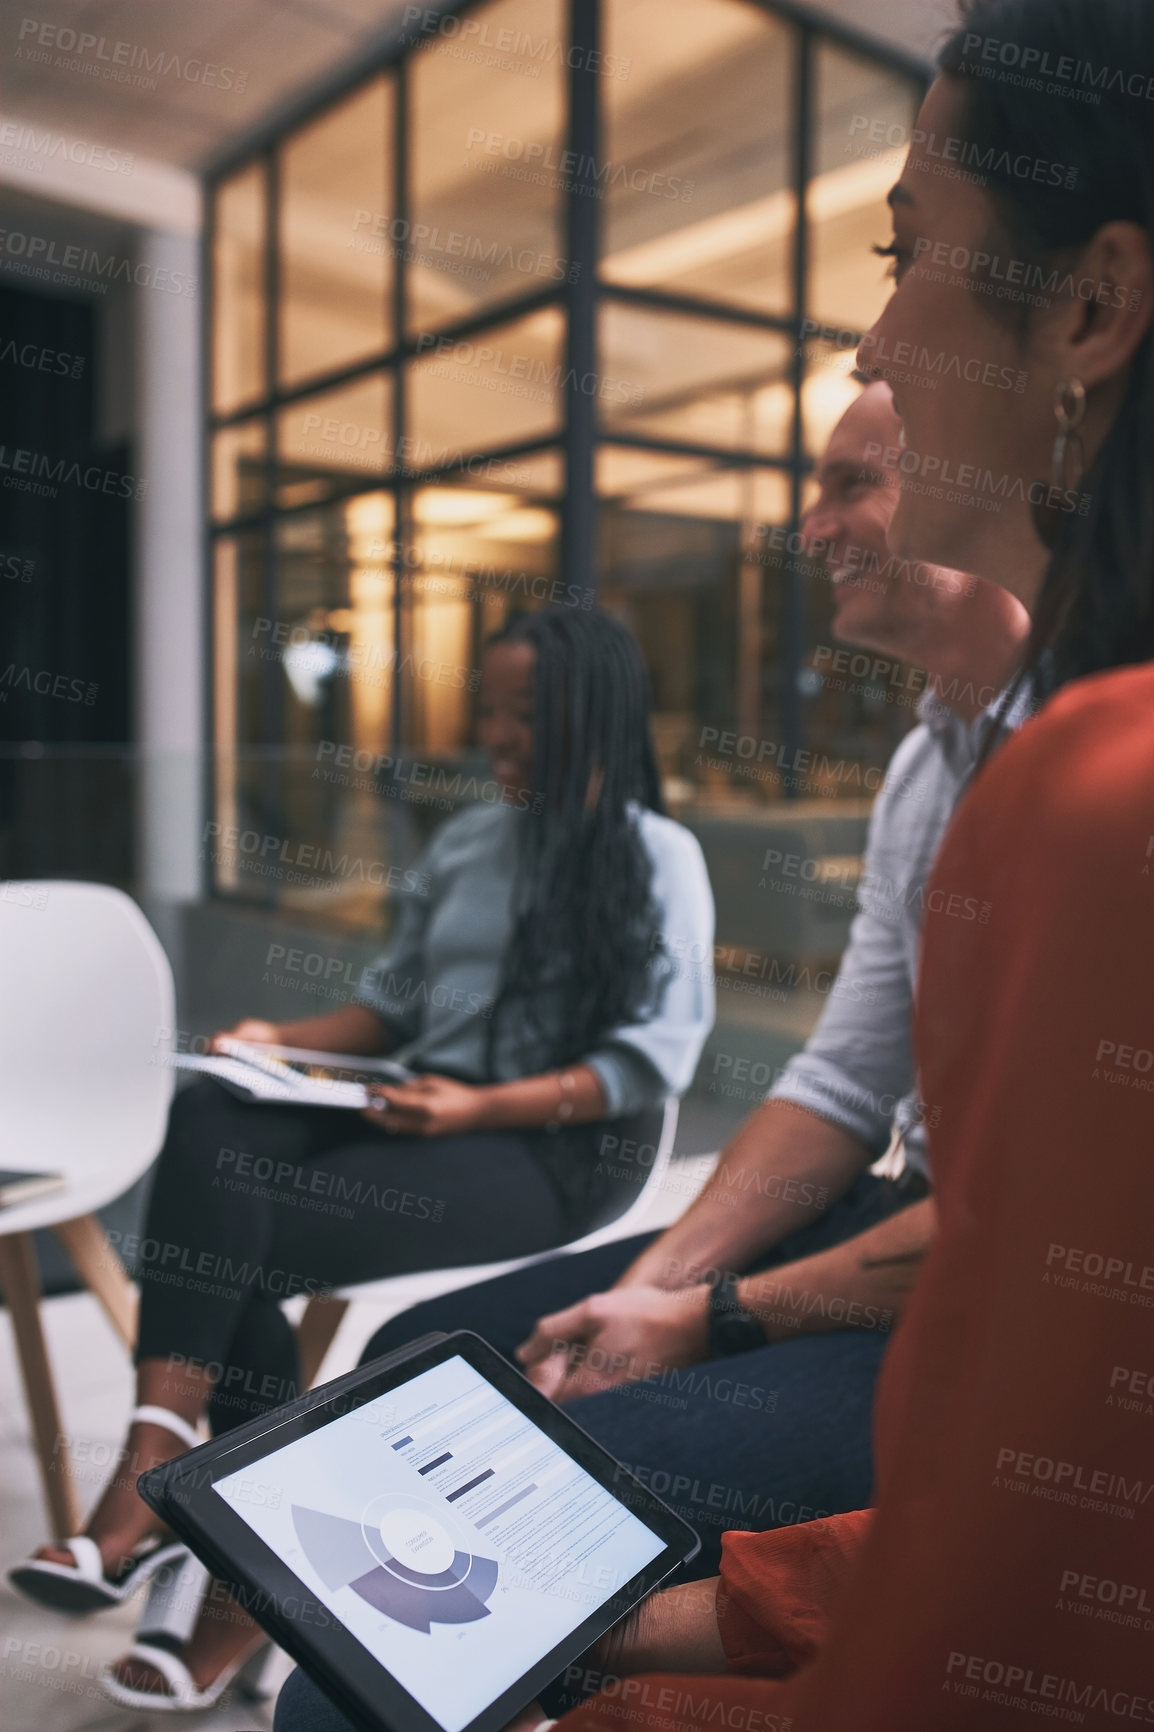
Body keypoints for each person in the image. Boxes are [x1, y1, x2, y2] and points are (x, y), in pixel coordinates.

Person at [407, 1, 1154, 1727]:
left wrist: (708, 1315)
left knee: (488, 1556)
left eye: (906, 255)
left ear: (1091, 307)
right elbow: (846, 1088)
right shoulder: (959, 772)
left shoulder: (1091, 791)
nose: (873, 332)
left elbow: (1016, 1589)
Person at [272, 381, 1030, 1730]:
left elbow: (1020, 1221)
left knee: (527, 1496)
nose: (811, 528)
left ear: (985, 482)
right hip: (893, 1212)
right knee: (417, 1354)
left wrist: (710, 1316)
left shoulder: (1080, 757)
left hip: (998, 1295)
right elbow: (842, 1083)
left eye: (853, 484)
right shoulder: (927, 763)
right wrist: (658, 1285)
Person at [8, 605, 716, 1707]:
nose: (496, 737)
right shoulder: (472, 839)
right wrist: (273, 1043)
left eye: (522, 714)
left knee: (213, 1240)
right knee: (212, 1121)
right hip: (414, 1108)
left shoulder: (656, 857)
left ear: (590, 715)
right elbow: (388, 1013)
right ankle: (213, 1541)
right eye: (486, 710)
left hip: (555, 1152)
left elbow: (654, 1054)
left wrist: (477, 1109)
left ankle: (173, 1527)